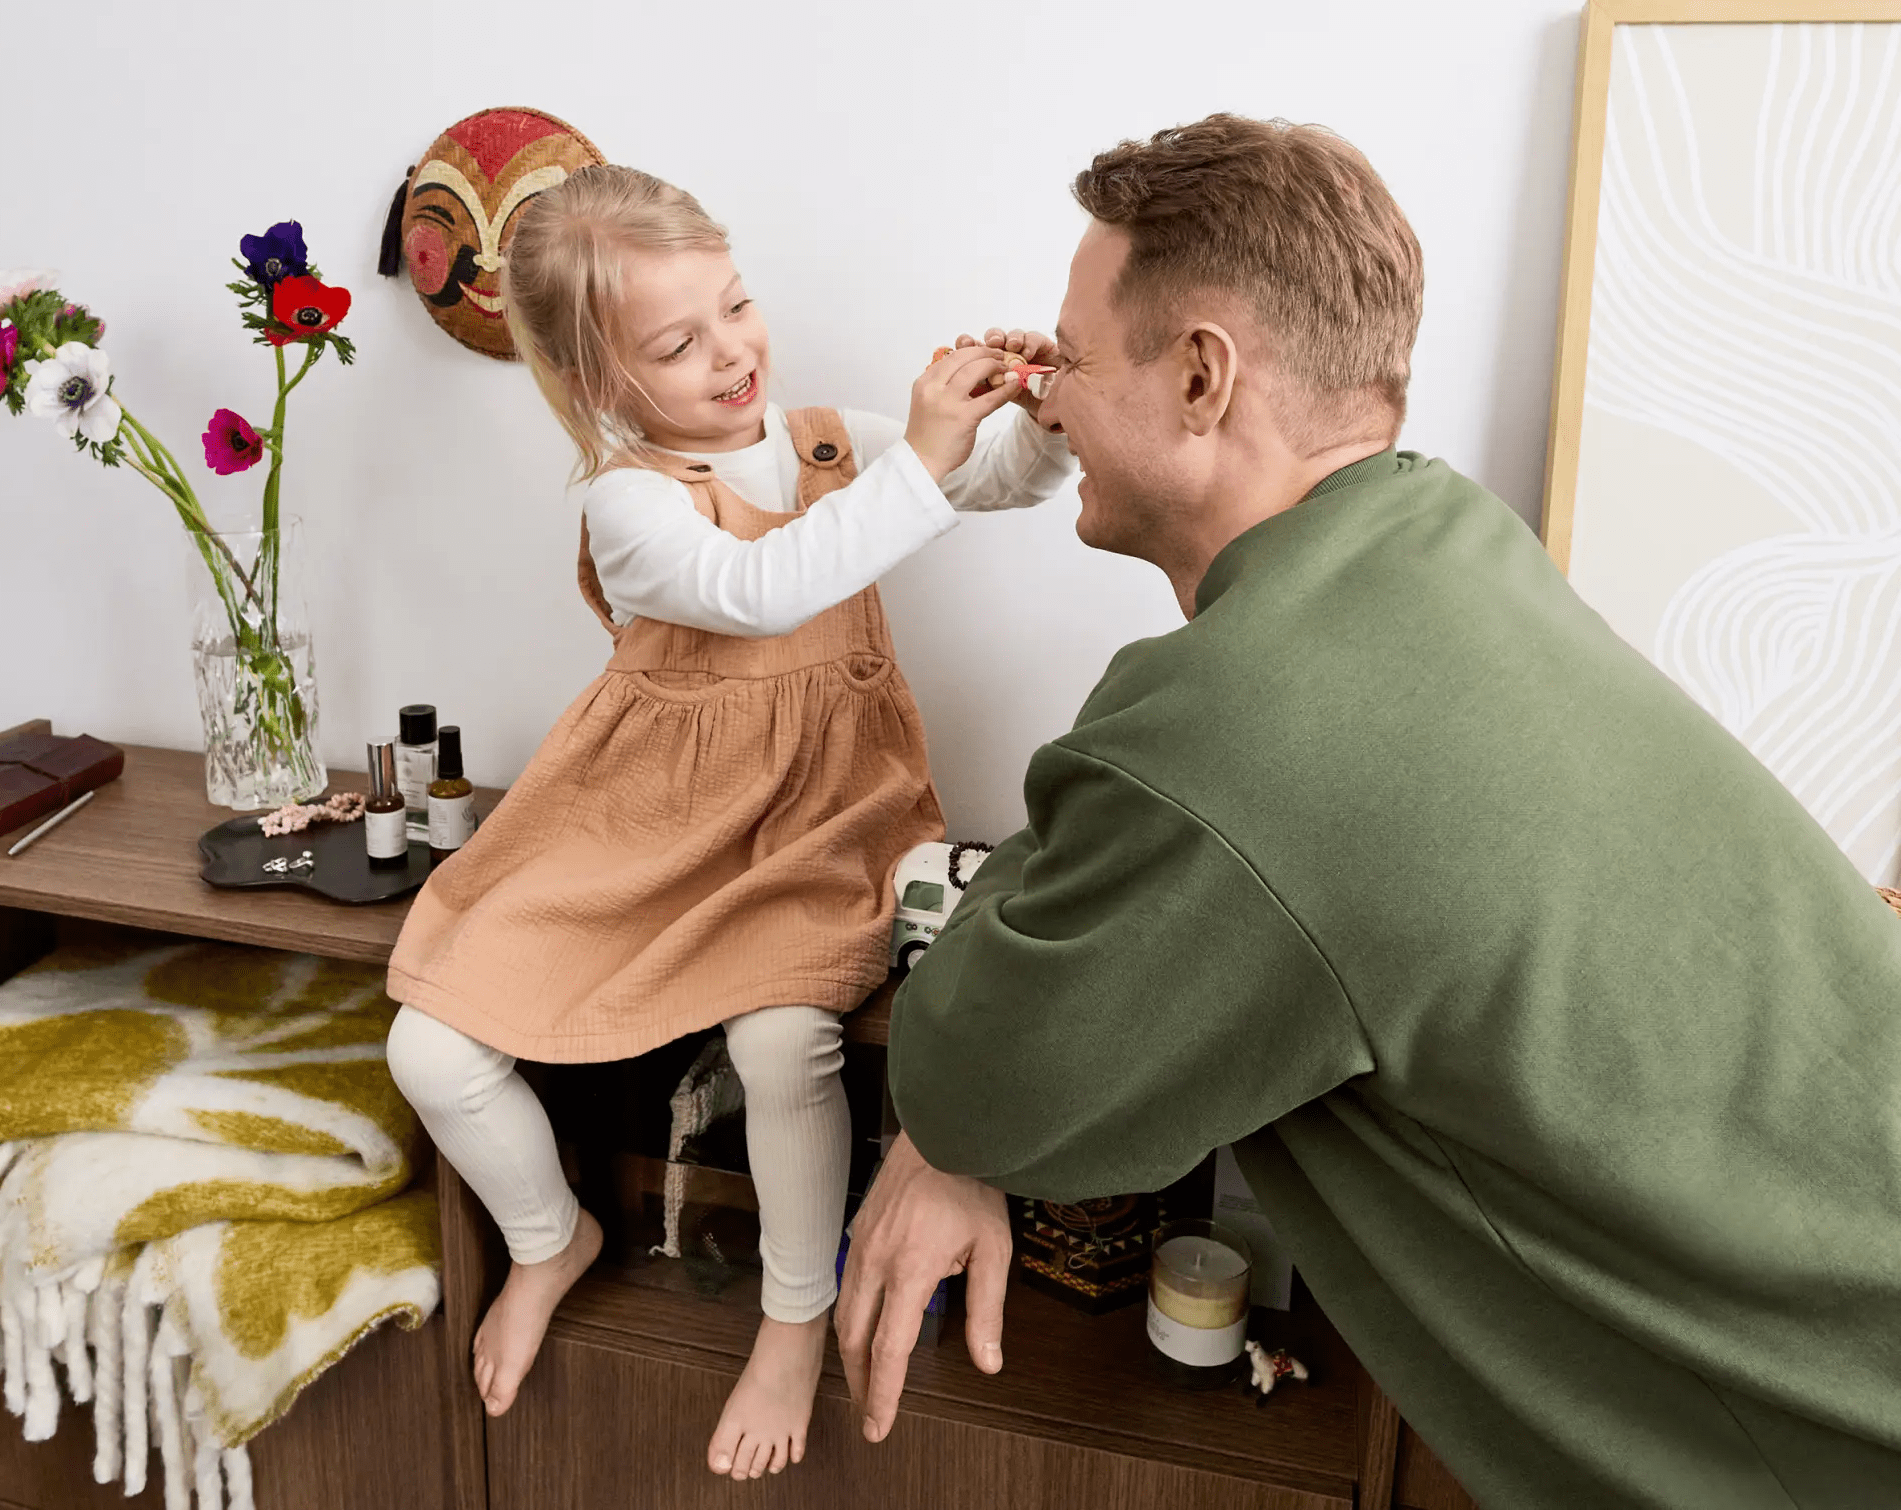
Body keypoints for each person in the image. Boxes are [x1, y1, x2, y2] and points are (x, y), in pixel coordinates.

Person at [835, 114, 1901, 1509]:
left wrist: (952, 1125)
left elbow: (973, 1076)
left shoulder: (1242, 728)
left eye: (1071, 358)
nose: (1047, 402)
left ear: (1204, 376)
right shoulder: (1453, 541)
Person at [381, 164, 1073, 1480]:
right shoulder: (628, 500)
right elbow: (761, 588)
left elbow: (994, 486)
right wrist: (922, 455)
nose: (730, 352)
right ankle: (547, 1236)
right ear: (600, 383)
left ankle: (793, 1314)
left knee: (783, 1040)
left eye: (737, 305)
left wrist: (1033, 421)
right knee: (431, 1040)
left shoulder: (827, 443)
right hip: (640, 826)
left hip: (818, 819)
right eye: (677, 343)